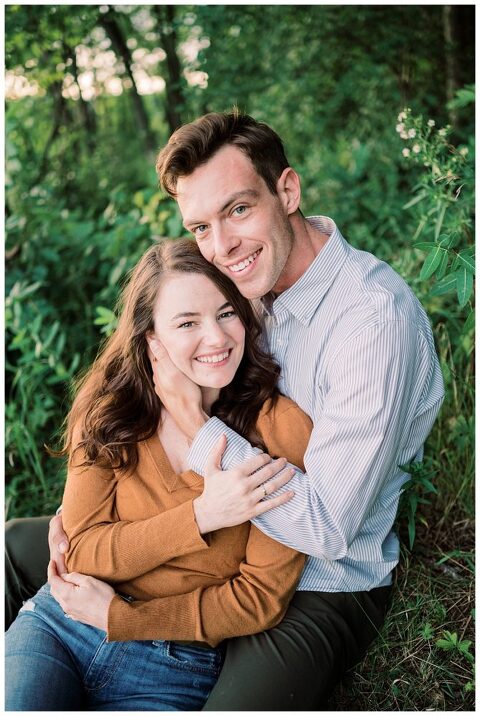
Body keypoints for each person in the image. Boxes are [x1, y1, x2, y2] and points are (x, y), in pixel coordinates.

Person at [5, 111, 444, 709]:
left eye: (238, 210)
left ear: (287, 191)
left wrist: (194, 423)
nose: (222, 246)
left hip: (320, 580)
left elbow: (330, 529)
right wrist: (82, 512)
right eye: (201, 226)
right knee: (20, 547)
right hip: (221, 545)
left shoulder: (371, 321)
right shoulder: (244, 285)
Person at [5, 238, 313, 711]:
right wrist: (201, 516)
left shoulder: (279, 429)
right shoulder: (112, 408)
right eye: (187, 322)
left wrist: (122, 618)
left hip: (175, 665)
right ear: (152, 339)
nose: (216, 338)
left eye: (226, 313)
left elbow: (259, 599)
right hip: (63, 626)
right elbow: (81, 550)